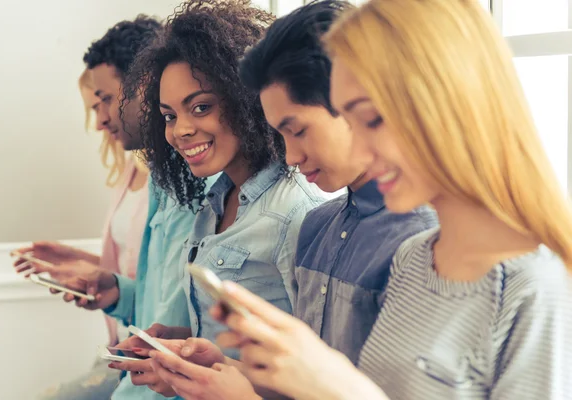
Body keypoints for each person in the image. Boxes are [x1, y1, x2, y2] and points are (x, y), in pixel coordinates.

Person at [152, 0, 572, 399]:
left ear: (446, 105)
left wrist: (333, 386)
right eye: (352, 119)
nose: (363, 149)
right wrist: (246, 371)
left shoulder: (535, 290)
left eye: (370, 119)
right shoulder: (414, 260)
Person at [141, 2, 436, 399]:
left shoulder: (418, 243)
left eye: (297, 131)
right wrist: (219, 365)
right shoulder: (318, 225)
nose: (292, 157)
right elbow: (302, 375)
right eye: (169, 115)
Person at [112, 0, 327, 397]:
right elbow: (229, 342)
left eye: (201, 107)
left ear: (245, 98)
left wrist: (187, 375)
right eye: (170, 116)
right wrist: (182, 344)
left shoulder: (297, 211)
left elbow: (315, 372)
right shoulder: (215, 202)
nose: (181, 131)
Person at [16, 16, 195, 400]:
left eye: (106, 100)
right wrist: (111, 288)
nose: (99, 120)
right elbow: (153, 301)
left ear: (142, 86)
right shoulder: (163, 180)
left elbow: (177, 328)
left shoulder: (192, 187)